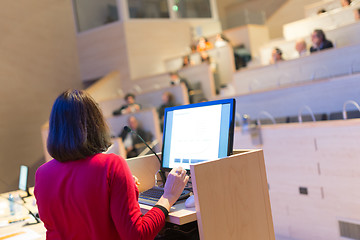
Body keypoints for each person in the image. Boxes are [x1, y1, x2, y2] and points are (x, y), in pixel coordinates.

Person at [34, 89, 189, 240]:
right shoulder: (110, 165)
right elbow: (138, 235)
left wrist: (120, 187)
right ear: (95, 124)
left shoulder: (42, 174)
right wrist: (168, 196)